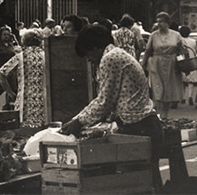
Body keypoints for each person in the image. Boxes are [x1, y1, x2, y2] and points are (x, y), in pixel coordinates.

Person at [61, 24, 163, 192]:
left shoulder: (110, 58)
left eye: (88, 54)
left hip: (137, 128)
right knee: (147, 182)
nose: (89, 59)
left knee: (136, 185)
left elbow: (104, 102)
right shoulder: (118, 54)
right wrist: (78, 119)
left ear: (95, 47)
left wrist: (78, 121)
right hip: (146, 125)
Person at [0, 29, 46, 128]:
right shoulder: (46, 55)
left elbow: (1, 73)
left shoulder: (20, 57)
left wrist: (10, 92)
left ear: (24, 42)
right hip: (43, 100)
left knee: (24, 130)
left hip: (24, 100)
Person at [141, 11, 183, 118]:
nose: (159, 24)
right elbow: (147, 51)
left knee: (169, 90)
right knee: (158, 89)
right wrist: (142, 65)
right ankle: (159, 113)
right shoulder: (153, 35)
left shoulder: (176, 35)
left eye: (162, 21)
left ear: (168, 23)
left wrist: (182, 64)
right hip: (156, 64)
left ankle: (165, 115)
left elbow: (181, 51)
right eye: (157, 21)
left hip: (171, 64)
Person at [179, 25, 197, 107]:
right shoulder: (193, 41)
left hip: (181, 62)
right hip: (192, 62)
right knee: (191, 82)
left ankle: (182, 97)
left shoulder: (179, 41)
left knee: (182, 81)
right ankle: (190, 96)